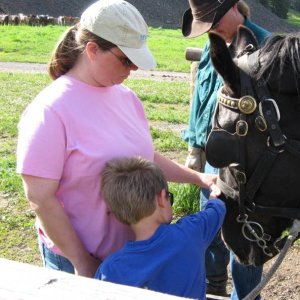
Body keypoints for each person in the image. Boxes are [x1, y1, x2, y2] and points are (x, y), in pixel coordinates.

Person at [16, 0, 218, 278]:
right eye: (126, 59)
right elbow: (40, 197)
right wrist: (82, 261)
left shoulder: (127, 98)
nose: (133, 68)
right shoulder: (49, 111)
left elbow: (146, 155)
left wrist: (198, 178)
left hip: (129, 256)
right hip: (79, 263)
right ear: (92, 50)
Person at [181, 0, 271, 299]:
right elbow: (202, 98)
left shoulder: (267, 48)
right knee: (211, 227)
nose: (211, 29)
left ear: (235, 6)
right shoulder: (214, 43)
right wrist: (195, 143)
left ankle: (246, 296)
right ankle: (213, 286)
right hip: (212, 155)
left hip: (249, 165)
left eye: (214, 20)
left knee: (244, 235)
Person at [95, 156, 225, 299]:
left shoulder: (110, 270)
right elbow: (217, 208)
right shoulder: (192, 232)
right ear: (161, 198)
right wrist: (213, 195)